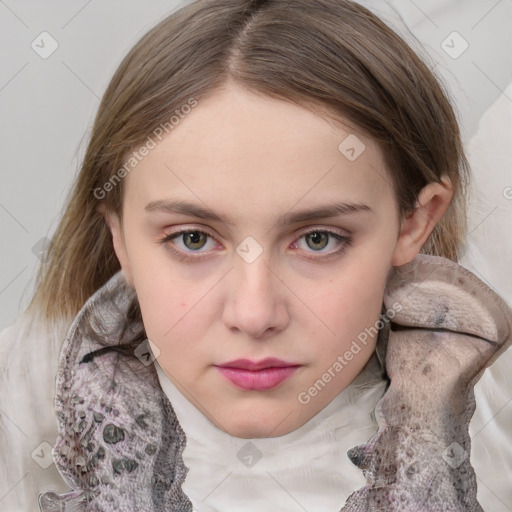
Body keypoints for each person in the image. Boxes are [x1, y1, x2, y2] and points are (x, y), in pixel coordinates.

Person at [1, 0, 511, 510]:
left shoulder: (487, 412)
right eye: (193, 239)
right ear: (120, 236)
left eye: (318, 239)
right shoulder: (28, 408)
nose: (254, 314)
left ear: (415, 221)